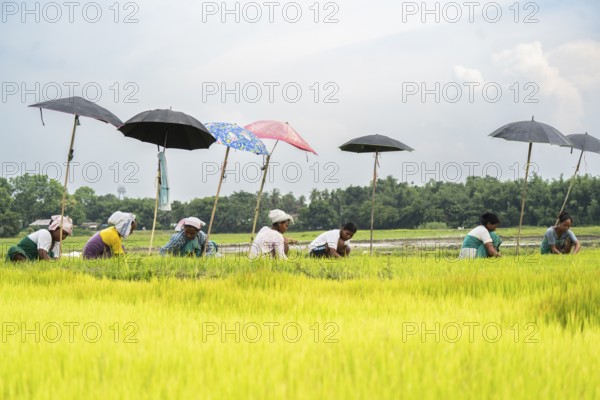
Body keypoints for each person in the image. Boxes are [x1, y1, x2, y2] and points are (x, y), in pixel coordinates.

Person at [6, 215, 73, 262]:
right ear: (54, 228)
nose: (64, 236)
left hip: (34, 261)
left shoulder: (57, 243)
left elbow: (57, 259)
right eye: (63, 233)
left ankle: (32, 266)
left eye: (66, 235)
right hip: (23, 256)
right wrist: (51, 264)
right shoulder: (45, 233)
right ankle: (28, 266)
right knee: (14, 250)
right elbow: (42, 255)